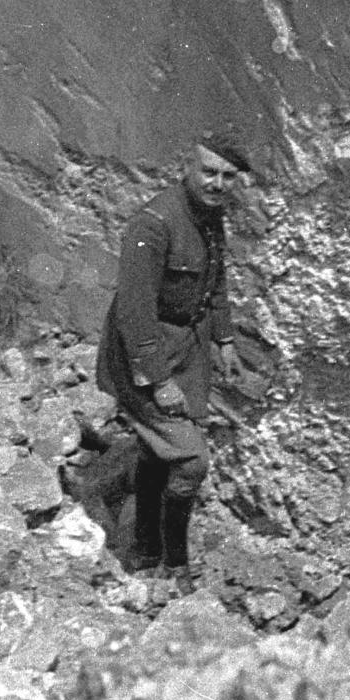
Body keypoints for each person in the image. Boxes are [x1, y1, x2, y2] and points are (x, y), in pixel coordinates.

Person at [96, 133, 253, 591]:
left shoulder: (209, 216)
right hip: (143, 355)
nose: (218, 183)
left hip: (185, 347)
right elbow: (134, 311)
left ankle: (145, 549)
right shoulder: (155, 224)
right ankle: (175, 563)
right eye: (209, 171)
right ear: (189, 165)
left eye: (228, 176)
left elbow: (215, 279)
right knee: (190, 459)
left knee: (155, 452)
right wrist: (158, 380)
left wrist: (224, 339)